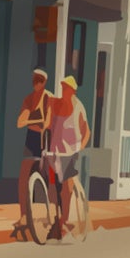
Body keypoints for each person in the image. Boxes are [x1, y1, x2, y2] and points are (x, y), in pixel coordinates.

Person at [46, 74, 92, 237]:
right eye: (63, 87)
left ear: (73, 91)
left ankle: (64, 221)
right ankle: (55, 218)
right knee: (52, 185)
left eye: (66, 88)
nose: (64, 90)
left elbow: (87, 131)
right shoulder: (57, 104)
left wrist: (81, 146)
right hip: (54, 151)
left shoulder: (78, 107)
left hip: (70, 151)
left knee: (66, 187)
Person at [12, 68, 52, 240]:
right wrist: (36, 120)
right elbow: (20, 123)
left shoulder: (48, 98)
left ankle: (52, 212)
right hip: (31, 138)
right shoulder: (28, 99)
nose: (36, 83)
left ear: (44, 82)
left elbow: (48, 122)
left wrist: (35, 121)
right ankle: (23, 215)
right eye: (35, 80)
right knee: (24, 175)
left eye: (40, 80)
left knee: (49, 174)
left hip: (46, 139)